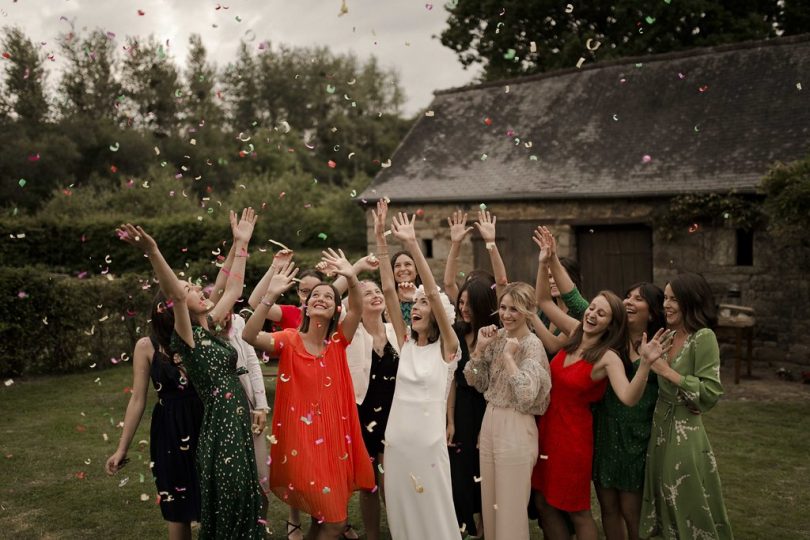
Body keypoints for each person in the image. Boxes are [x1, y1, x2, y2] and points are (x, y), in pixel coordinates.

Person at [117, 209, 264, 539]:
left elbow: (234, 288)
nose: (199, 288)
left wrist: (241, 243)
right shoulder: (187, 337)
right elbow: (177, 296)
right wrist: (154, 252)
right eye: (189, 288)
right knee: (231, 497)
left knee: (241, 498)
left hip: (234, 421)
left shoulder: (210, 327)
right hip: (220, 425)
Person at [530, 227, 668, 540]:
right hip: (547, 430)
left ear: (611, 323)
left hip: (574, 438)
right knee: (543, 501)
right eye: (592, 307)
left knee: (576, 509)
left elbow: (629, 397)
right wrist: (545, 261)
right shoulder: (576, 330)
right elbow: (543, 299)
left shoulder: (608, 357)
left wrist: (645, 364)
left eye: (601, 313)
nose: (592, 313)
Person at [242, 249, 375, 540]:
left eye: (329, 296)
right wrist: (269, 296)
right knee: (337, 523)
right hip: (302, 444)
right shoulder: (289, 340)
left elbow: (356, 309)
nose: (321, 298)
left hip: (335, 442)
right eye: (315, 295)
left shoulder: (340, 341)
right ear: (305, 305)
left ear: (335, 310)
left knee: (321, 519)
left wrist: (351, 275)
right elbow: (249, 336)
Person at [374, 200, 461, 540]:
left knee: (434, 508)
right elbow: (387, 290)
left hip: (428, 445)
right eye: (417, 303)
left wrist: (413, 245)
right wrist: (382, 240)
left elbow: (437, 297)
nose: (417, 307)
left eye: (424, 303)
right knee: (401, 510)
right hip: (397, 443)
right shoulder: (405, 343)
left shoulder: (447, 349)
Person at [640, 273, 733, 539]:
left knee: (684, 497)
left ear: (690, 301)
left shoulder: (703, 338)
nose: (666, 305)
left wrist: (666, 371)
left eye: (674, 299)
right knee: (663, 497)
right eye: (665, 298)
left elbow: (711, 392)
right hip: (659, 427)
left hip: (684, 431)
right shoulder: (666, 336)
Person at [105, 294, 204, 540]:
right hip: (170, 429)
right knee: (177, 509)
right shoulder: (145, 346)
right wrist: (121, 448)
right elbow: (137, 399)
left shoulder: (201, 336)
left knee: (210, 501)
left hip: (205, 422)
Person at [464, 282, 552, 540]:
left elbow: (526, 394)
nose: (506, 315)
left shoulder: (532, 345)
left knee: (511, 506)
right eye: (503, 308)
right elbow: (476, 381)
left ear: (528, 311)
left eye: (514, 309)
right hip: (490, 420)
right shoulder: (497, 337)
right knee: (491, 502)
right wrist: (480, 349)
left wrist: (511, 359)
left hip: (517, 424)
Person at [345, 276, 401, 540]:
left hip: (396, 416)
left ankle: (400, 531)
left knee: (391, 482)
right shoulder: (350, 336)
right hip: (362, 415)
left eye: (377, 291)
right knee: (369, 484)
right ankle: (372, 535)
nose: (375, 295)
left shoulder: (397, 333)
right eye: (367, 293)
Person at [446, 277, 498, 538]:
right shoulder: (455, 332)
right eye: (461, 302)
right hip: (461, 412)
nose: (463, 308)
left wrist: (486, 426)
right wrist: (450, 420)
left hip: (486, 408)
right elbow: (451, 379)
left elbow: (495, 384)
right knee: (460, 477)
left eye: (470, 303)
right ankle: (467, 527)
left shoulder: (495, 335)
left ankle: (486, 526)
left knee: (485, 477)